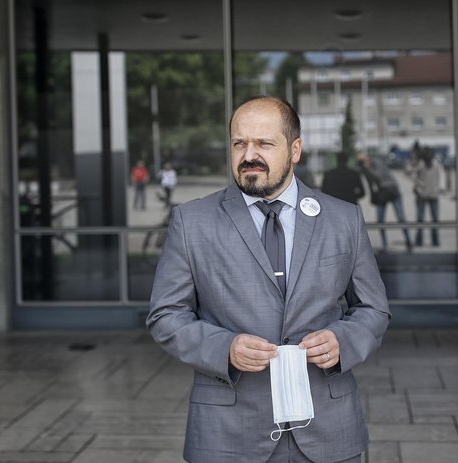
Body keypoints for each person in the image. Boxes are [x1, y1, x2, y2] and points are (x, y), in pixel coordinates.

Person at [147, 96, 390, 463]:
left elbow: (373, 310)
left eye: (264, 143)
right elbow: (165, 316)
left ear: (295, 150)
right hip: (227, 434)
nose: (249, 155)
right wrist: (224, 349)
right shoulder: (191, 221)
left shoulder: (344, 220)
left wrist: (343, 340)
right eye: (239, 143)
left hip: (329, 431)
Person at [357, 152, 412, 251]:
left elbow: (380, 175)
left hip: (392, 189)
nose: (362, 163)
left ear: (367, 158)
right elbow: (370, 184)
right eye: (360, 162)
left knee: (401, 217)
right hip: (382, 192)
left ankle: (408, 241)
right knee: (380, 220)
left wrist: (368, 168)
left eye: (363, 160)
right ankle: (385, 244)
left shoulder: (377, 162)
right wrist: (373, 197)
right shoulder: (365, 169)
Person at [412, 148, 440, 246]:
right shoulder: (421, 164)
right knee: (422, 219)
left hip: (432, 194)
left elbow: (439, 177)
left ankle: (434, 241)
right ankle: (421, 241)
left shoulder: (435, 164)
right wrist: (418, 190)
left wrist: (437, 190)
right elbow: (414, 177)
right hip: (423, 195)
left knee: (433, 219)